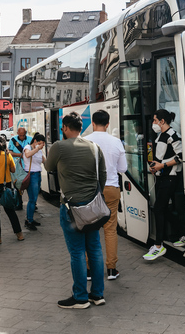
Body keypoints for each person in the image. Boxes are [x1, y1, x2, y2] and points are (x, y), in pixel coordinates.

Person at [44, 112, 106, 309]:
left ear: (65, 127)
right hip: (92, 207)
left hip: (71, 207)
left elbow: (48, 167)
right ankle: (97, 294)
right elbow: (102, 175)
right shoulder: (95, 148)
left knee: (77, 252)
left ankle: (80, 297)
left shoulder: (59, 146)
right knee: (95, 249)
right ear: (81, 128)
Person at [84, 110, 127, 280]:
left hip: (90, 190)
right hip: (110, 188)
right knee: (110, 229)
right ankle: (111, 269)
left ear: (93, 123)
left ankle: (88, 270)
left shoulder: (85, 141)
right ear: (108, 124)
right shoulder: (116, 142)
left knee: (89, 229)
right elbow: (123, 169)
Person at [144, 109, 185, 261]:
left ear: (162, 121)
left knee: (158, 208)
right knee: (162, 209)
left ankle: (158, 245)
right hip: (164, 178)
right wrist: (155, 166)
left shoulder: (172, 135)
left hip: (170, 178)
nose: (153, 124)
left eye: (155, 121)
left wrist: (162, 166)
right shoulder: (161, 136)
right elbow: (161, 157)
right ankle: (181, 234)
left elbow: (181, 157)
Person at [22, 133, 47, 231]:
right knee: (32, 199)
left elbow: (45, 161)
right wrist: (37, 149)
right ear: (35, 141)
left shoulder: (40, 151)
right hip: (31, 175)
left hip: (37, 175)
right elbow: (27, 155)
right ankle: (29, 221)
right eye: (41, 143)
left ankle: (31, 219)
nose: (42, 146)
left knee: (34, 199)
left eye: (43, 144)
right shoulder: (27, 147)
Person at [8, 128, 32, 210]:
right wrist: (20, 155)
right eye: (20, 135)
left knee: (29, 184)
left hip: (27, 166)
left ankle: (32, 203)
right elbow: (10, 152)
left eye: (23, 135)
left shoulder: (30, 139)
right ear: (17, 133)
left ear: (25, 133)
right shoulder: (13, 140)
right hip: (17, 166)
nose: (22, 137)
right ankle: (19, 203)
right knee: (17, 185)